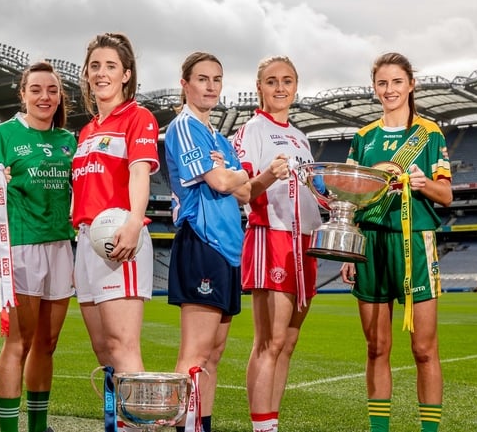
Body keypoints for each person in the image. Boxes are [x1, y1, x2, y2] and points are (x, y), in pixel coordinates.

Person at [340, 52, 453, 432]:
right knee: (377, 348)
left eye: (397, 82)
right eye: (382, 83)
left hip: (416, 243)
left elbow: (447, 195)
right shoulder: (363, 138)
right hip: (370, 243)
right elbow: (351, 196)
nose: (389, 90)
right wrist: (349, 248)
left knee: (423, 349)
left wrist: (424, 184)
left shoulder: (429, 133)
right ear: (375, 88)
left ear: (411, 85)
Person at [71, 32, 159, 431]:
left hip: (118, 239)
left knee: (124, 348)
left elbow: (139, 174)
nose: (101, 73)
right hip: (86, 243)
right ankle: (118, 426)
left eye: (110, 66)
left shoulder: (138, 117)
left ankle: (138, 427)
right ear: (87, 75)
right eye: (95, 66)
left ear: (126, 75)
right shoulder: (87, 131)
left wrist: (133, 222)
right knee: (103, 349)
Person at [230, 55, 322, 432]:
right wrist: (269, 175)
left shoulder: (301, 138)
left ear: (296, 88)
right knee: (270, 340)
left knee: (288, 343)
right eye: (272, 81)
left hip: (305, 240)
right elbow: (242, 191)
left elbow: (312, 193)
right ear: (259, 88)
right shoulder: (252, 130)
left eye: (287, 81)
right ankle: (260, 426)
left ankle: (272, 422)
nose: (280, 87)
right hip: (271, 235)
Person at [0, 61, 76, 432]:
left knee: (47, 343)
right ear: (23, 94)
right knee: (17, 343)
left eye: (52, 90)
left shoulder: (69, 141)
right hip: (20, 246)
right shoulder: (3, 135)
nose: (44, 96)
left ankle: (38, 427)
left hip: (60, 246)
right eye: (36, 89)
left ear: (59, 97)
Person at [165, 51, 251, 432]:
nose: (211, 86)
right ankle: (181, 427)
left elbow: (245, 192)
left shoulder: (219, 136)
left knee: (213, 355)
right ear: (185, 85)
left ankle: (202, 426)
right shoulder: (185, 127)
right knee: (195, 354)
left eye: (217, 79)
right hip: (202, 241)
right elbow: (221, 183)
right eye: (202, 79)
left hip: (229, 248)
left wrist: (232, 171)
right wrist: (233, 171)